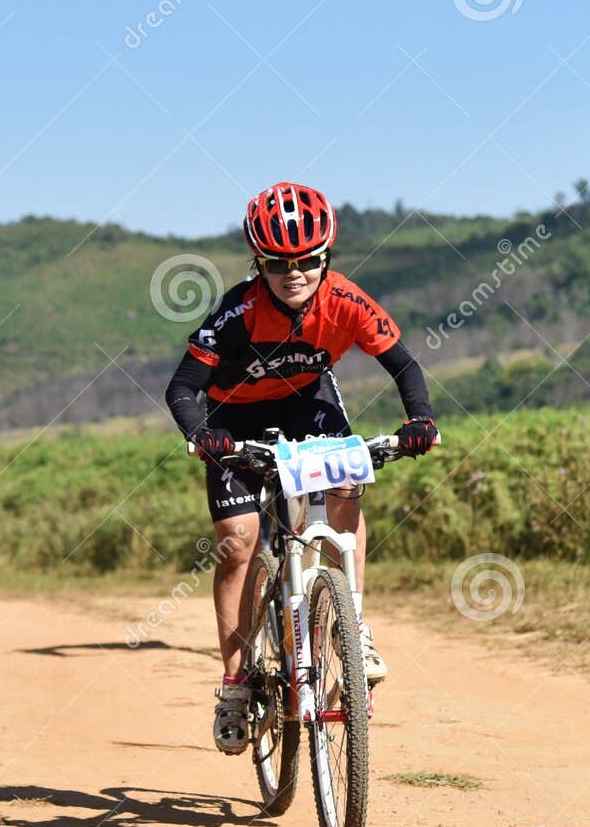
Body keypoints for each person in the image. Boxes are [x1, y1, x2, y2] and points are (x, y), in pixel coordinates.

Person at [164, 182, 438, 755]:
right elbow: (183, 387)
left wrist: (421, 420)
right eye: (278, 264)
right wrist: (202, 436)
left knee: (347, 482)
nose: (295, 274)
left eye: (308, 262)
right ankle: (236, 685)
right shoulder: (238, 312)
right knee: (239, 542)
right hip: (230, 416)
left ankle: (351, 626)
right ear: (258, 263)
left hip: (307, 403)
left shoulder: (346, 300)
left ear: (326, 258)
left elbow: (404, 365)